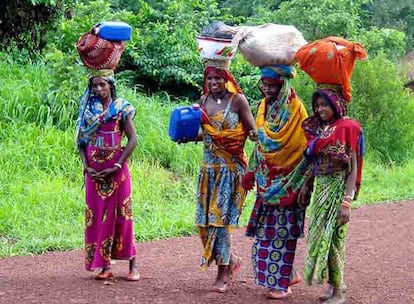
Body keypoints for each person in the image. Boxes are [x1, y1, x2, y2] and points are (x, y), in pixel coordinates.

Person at [242, 65, 310, 299]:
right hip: (266, 180)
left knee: (282, 234)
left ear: (283, 86)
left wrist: (304, 182)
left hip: (289, 180)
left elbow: (300, 147)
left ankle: (281, 284)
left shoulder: (295, 109)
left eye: (272, 85)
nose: (267, 89)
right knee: (266, 234)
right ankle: (288, 274)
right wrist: (252, 171)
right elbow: (261, 144)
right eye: (265, 84)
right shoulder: (263, 107)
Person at [194, 60, 257, 293]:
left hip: (231, 171)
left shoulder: (237, 101)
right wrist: (190, 136)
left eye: (218, 78)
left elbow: (251, 132)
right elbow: (208, 135)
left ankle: (223, 274)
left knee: (220, 223)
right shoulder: (202, 101)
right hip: (208, 170)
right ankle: (230, 260)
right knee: (202, 223)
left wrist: (256, 137)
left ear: (227, 79)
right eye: (210, 78)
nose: (213, 82)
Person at [300, 86, 364, 304]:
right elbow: (313, 163)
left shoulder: (348, 128)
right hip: (321, 190)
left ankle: (339, 291)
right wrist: (306, 186)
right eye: (317, 105)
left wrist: (347, 201)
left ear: (336, 104)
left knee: (334, 240)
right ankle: (332, 284)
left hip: (337, 190)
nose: (320, 109)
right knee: (321, 238)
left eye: (325, 104)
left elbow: (352, 167)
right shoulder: (321, 130)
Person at [76, 69, 140, 281]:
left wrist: (119, 165)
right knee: (96, 217)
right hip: (94, 172)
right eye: (94, 85)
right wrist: (87, 167)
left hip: (117, 171)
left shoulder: (121, 108)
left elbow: (132, 140)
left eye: (102, 85)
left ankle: (133, 265)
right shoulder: (87, 111)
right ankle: (104, 266)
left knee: (123, 215)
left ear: (110, 85)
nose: (98, 89)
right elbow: (81, 143)